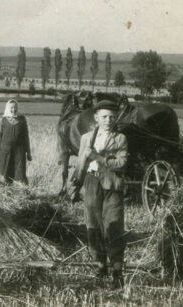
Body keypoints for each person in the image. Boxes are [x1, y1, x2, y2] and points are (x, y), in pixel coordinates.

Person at [74, 100, 128, 288]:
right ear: (96, 117)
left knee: (113, 226)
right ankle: (100, 265)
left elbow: (121, 164)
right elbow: (81, 163)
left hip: (112, 185)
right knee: (93, 225)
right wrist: (75, 185)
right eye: (104, 117)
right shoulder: (86, 138)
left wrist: (97, 157)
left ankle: (117, 270)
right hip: (91, 183)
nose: (108, 120)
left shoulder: (120, 138)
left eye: (112, 117)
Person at [0, 99, 32, 184]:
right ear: (7, 108)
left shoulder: (22, 120)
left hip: (19, 152)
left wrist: (29, 153)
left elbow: (26, 137)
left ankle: (22, 194)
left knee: (21, 176)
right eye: (11, 108)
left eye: (15, 107)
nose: (13, 110)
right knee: (5, 176)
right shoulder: (2, 120)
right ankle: (7, 193)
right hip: (6, 152)